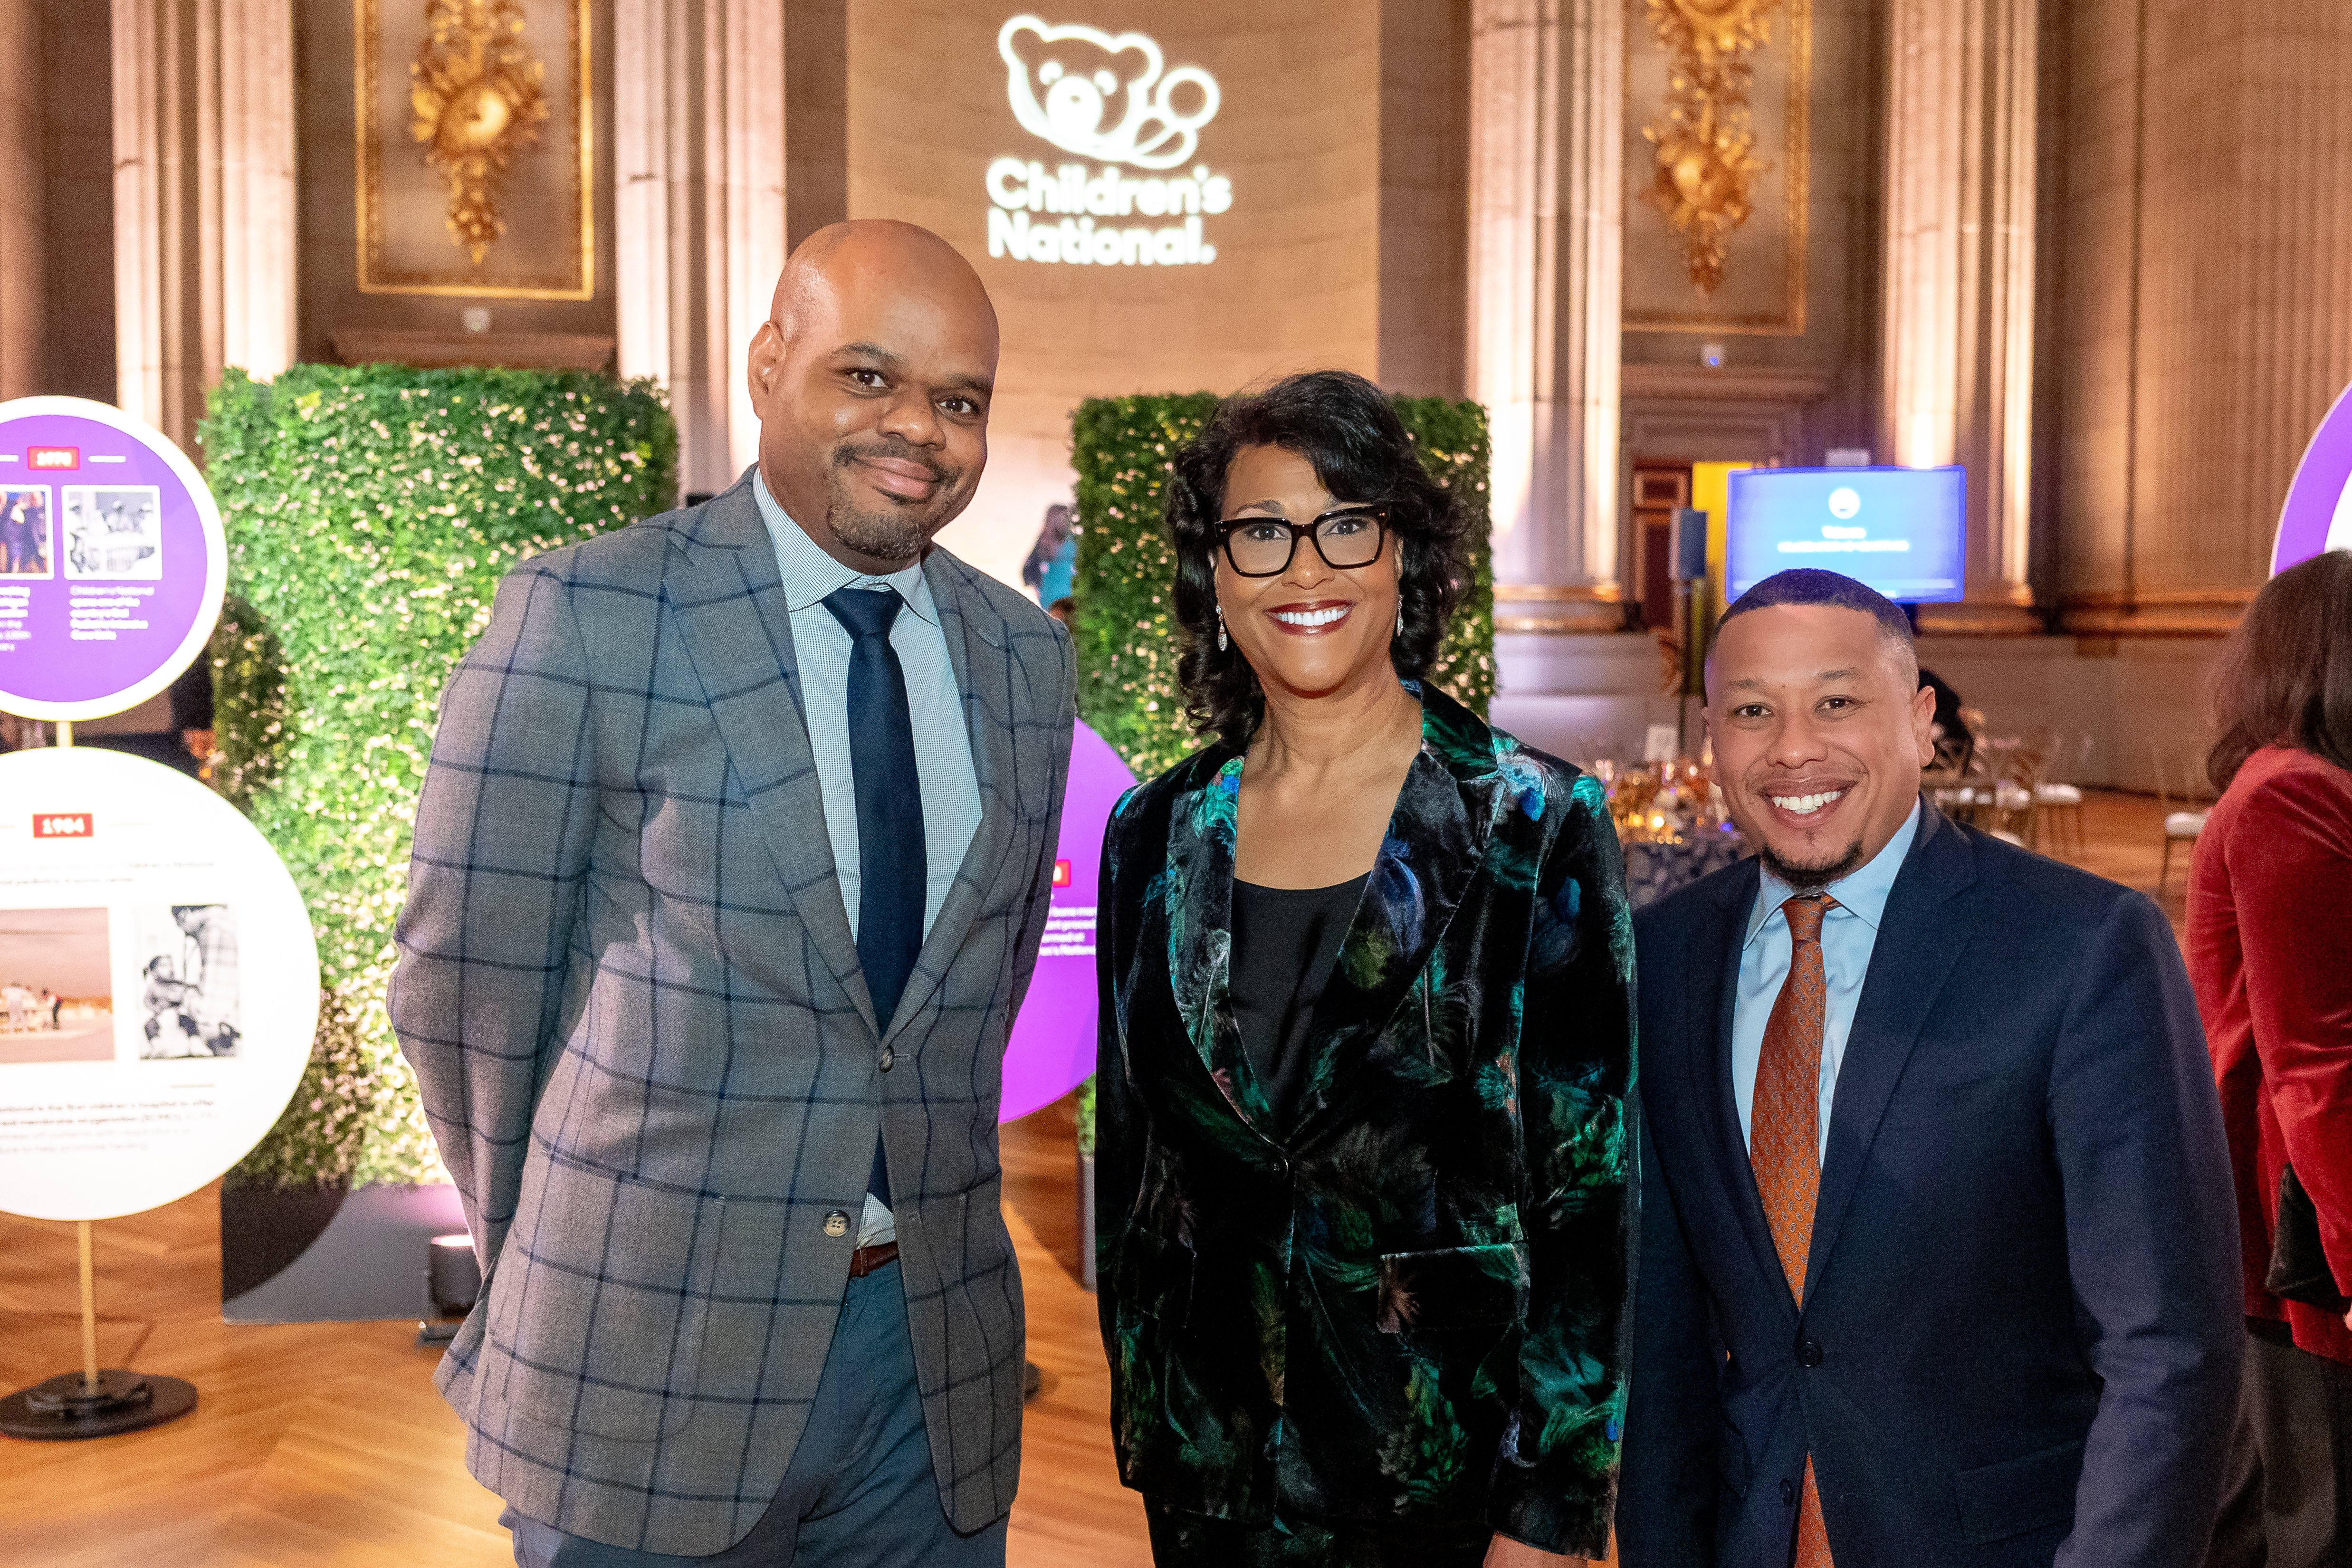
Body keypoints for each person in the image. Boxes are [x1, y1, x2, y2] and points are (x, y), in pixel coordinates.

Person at [390, 220, 1076, 1566]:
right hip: (643, 1344)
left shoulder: (1020, 659)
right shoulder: (588, 613)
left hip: (928, 1370)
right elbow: (463, 982)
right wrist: (571, 1242)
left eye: (959, 400)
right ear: (770, 363)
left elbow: (968, 1007)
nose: (918, 430)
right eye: (868, 377)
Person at [1094, 371, 1636, 1568]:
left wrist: (1553, 1506)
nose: (1305, 569)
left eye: (1346, 525)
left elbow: (1588, 1193)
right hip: (1210, 1469)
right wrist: (1151, 1402)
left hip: (1438, 1467)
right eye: (1261, 534)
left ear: (1404, 559)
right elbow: (1132, 1163)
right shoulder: (1154, 833)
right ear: (1215, 577)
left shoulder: (1535, 822)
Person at [1618, 567, 2241, 1567]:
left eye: (1836, 702)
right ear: (1712, 736)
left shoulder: (2081, 947)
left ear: (1919, 721)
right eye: (1751, 710)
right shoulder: (1663, 959)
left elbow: (2168, 1349)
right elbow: (1664, 1340)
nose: (1792, 749)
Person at [2190, 551, 2352, 1567]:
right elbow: (2317, 1060)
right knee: (2314, 1518)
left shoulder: (2304, 784)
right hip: (2302, 1231)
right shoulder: (2292, 794)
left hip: (2297, 1217)